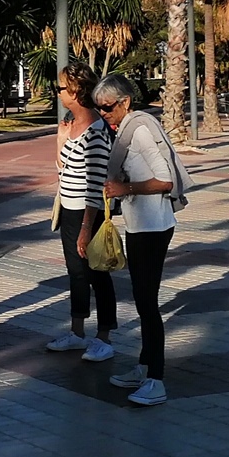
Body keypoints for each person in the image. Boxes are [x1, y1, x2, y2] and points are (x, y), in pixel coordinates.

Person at [93, 72, 190, 408]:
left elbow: (164, 181)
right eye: (99, 108)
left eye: (107, 107)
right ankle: (144, 367)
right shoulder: (125, 133)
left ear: (125, 103)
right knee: (142, 299)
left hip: (153, 227)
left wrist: (126, 189)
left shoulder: (142, 131)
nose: (103, 113)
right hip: (139, 226)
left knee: (147, 304)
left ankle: (156, 380)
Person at [47, 63, 116, 362]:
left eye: (60, 88)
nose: (58, 93)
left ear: (75, 91)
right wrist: (60, 141)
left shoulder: (97, 132)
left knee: (97, 273)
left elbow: (96, 183)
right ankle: (77, 332)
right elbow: (63, 169)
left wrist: (87, 228)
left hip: (89, 214)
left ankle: (104, 337)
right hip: (69, 210)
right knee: (76, 272)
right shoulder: (71, 126)